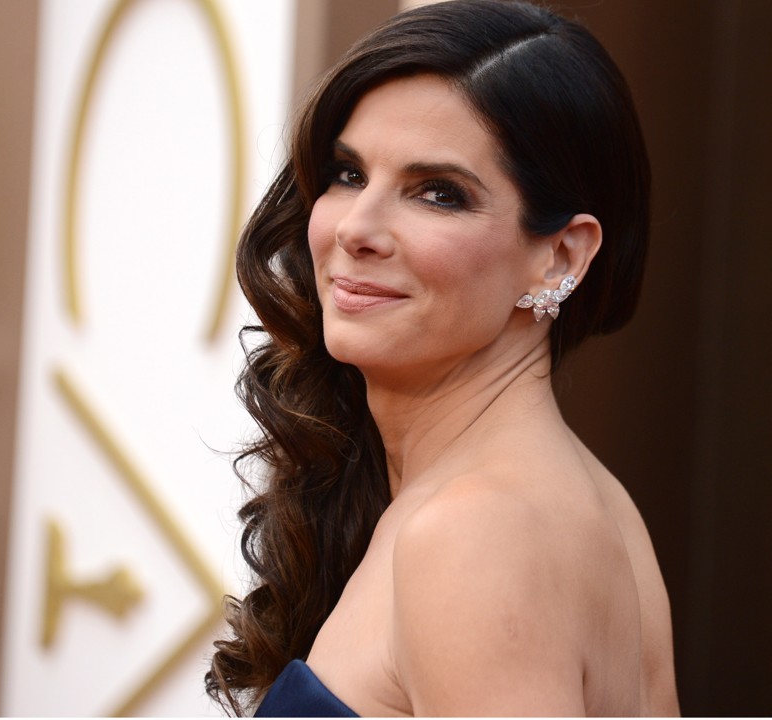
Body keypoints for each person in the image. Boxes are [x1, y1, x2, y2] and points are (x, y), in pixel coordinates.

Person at [206, 0, 678, 715]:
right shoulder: (575, 496)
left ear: (559, 257)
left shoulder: (474, 534)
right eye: (348, 174)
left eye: (438, 193)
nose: (357, 229)